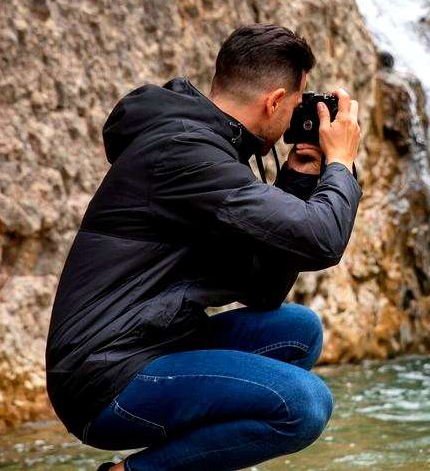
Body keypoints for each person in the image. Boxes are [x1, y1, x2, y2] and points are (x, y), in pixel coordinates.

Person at [44, 24, 363, 470]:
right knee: (303, 404)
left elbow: (262, 290)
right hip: (103, 377)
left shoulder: (211, 153)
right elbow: (324, 239)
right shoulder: (186, 154)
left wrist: (297, 178)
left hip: (152, 343)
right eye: (295, 104)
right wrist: (341, 163)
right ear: (273, 101)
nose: (296, 118)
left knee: (296, 329)